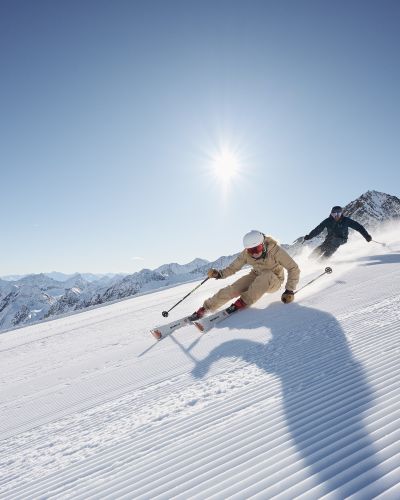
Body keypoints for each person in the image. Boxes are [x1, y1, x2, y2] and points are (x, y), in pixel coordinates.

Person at [188, 230, 300, 321]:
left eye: (257, 249)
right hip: (256, 275)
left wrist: (289, 290)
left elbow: (293, 268)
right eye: (251, 250)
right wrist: (219, 274)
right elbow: (233, 268)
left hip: (274, 280)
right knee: (233, 289)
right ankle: (206, 308)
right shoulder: (246, 254)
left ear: (263, 244)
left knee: (266, 274)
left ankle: (243, 302)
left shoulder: (275, 250)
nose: (255, 253)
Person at [304, 205, 372, 260]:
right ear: (331, 214)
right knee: (321, 248)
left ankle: (322, 260)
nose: (336, 216)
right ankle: (309, 261)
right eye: (334, 214)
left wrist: (366, 236)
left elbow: (358, 227)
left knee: (335, 242)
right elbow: (318, 229)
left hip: (341, 239)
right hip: (329, 239)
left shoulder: (346, 220)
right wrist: (309, 236)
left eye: (338, 214)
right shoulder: (328, 221)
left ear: (341, 214)